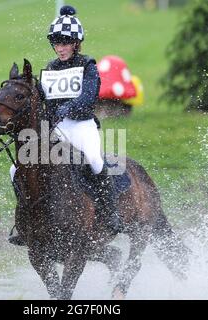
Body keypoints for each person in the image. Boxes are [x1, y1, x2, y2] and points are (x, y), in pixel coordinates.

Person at [8, 5, 123, 246]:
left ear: (76, 44)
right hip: (55, 128)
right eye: (56, 43)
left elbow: (89, 96)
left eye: (65, 43)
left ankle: (110, 213)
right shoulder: (50, 69)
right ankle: (27, 219)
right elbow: (40, 100)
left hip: (81, 126)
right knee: (15, 170)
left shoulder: (87, 65)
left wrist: (67, 109)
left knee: (95, 160)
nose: (60, 48)